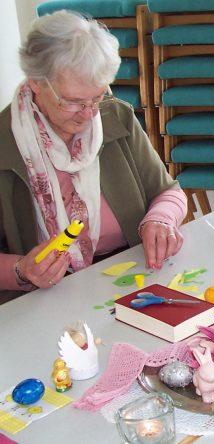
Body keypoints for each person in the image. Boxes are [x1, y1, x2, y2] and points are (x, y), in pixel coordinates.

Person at [0, 11, 187, 303]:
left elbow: (168, 192)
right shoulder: (5, 144)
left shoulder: (115, 116)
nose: (89, 114)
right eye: (73, 102)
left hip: (129, 275)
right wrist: (21, 270)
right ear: (37, 82)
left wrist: (161, 219)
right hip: (42, 298)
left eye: (97, 98)